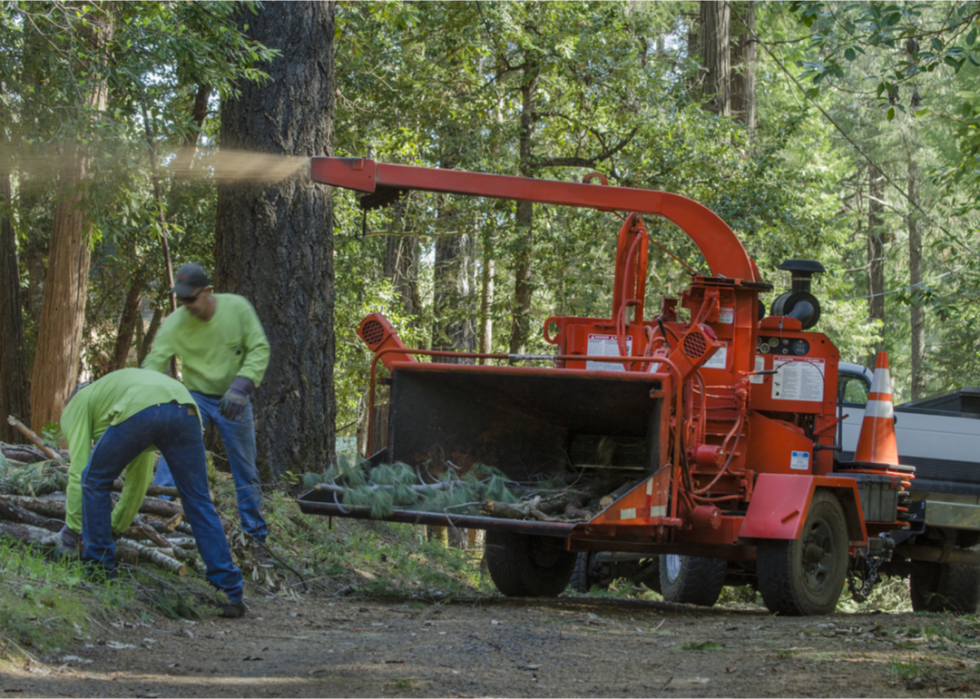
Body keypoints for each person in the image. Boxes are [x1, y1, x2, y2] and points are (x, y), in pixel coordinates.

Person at [60, 368, 246, 617]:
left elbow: (80, 469)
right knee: (198, 500)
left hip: (144, 408)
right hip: (186, 407)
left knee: (94, 480)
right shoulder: (115, 394)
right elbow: (139, 479)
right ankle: (230, 592)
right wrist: (117, 526)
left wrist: (73, 531)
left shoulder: (76, 404)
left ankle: (99, 571)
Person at [142, 262, 271, 547]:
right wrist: (144, 392)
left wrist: (242, 384)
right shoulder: (174, 324)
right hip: (195, 396)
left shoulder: (237, 309)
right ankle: (158, 513)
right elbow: (154, 361)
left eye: (191, 298)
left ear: (207, 292)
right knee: (172, 448)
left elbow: (259, 348)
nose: (186, 305)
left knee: (245, 467)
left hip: (233, 397)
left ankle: (254, 534)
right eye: (182, 299)